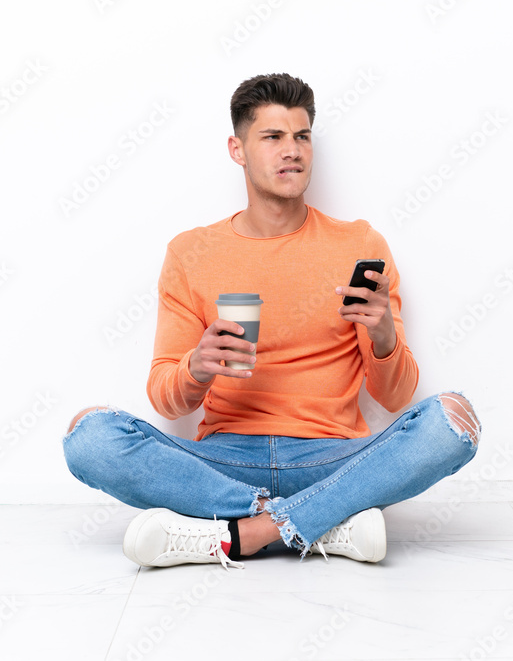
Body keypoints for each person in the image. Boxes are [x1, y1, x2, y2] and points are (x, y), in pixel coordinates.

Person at [62, 73, 481, 570]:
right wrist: (197, 366)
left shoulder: (359, 245)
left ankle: (247, 533)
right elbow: (164, 399)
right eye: (273, 137)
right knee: (88, 436)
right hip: (224, 463)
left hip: (332, 459)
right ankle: (321, 523)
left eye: (302, 136)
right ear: (237, 150)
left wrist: (384, 334)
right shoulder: (191, 253)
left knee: (454, 421)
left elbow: (395, 398)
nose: (293, 151)